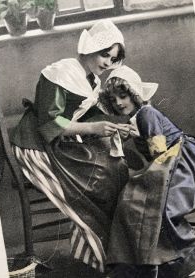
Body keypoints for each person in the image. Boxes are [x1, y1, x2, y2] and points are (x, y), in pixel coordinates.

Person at [10, 20, 133, 273]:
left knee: (113, 167)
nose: (107, 63)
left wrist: (116, 127)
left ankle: (108, 252)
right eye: (104, 55)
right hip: (36, 145)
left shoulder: (92, 81)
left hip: (59, 143)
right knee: (98, 176)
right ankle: (99, 253)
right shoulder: (60, 72)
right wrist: (93, 129)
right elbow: (49, 123)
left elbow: (85, 118)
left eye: (112, 59)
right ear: (88, 49)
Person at [99, 65, 195, 278]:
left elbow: (159, 154)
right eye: (114, 99)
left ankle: (189, 257)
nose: (118, 103)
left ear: (134, 94)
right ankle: (153, 263)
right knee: (131, 201)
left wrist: (137, 140)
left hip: (186, 163)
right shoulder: (136, 119)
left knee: (154, 205)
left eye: (123, 96)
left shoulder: (146, 113)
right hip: (168, 163)